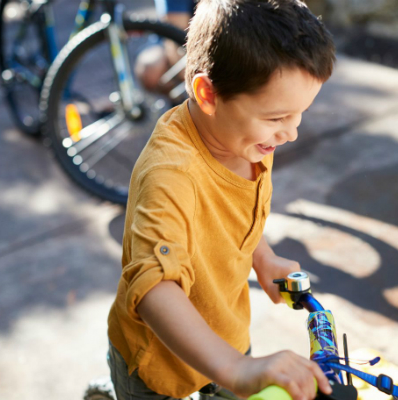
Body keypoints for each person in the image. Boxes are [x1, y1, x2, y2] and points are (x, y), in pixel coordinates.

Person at [108, 0, 336, 399]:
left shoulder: (246, 140)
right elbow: (153, 288)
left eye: (299, 115)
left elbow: (227, 216)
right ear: (207, 94)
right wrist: (238, 368)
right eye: (278, 117)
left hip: (225, 335)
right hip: (162, 366)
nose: (290, 133)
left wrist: (262, 257)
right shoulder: (171, 173)